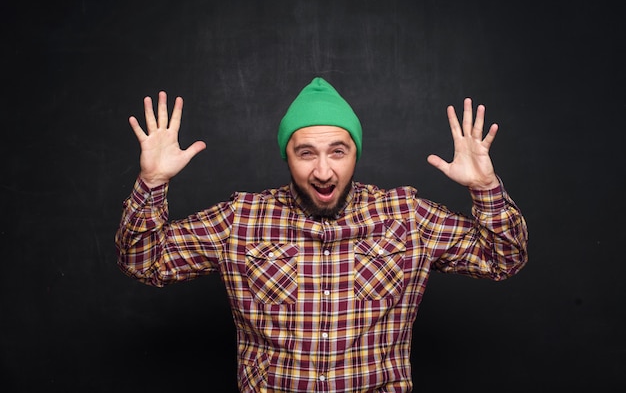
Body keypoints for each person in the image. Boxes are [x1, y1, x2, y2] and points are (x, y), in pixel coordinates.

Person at [115, 77, 528, 392]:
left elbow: (502, 260)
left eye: (338, 151)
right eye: (306, 153)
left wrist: (484, 188)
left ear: (355, 154)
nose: (324, 171)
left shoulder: (407, 215)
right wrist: (152, 181)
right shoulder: (240, 219)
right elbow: (143, 262)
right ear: (287, 156)